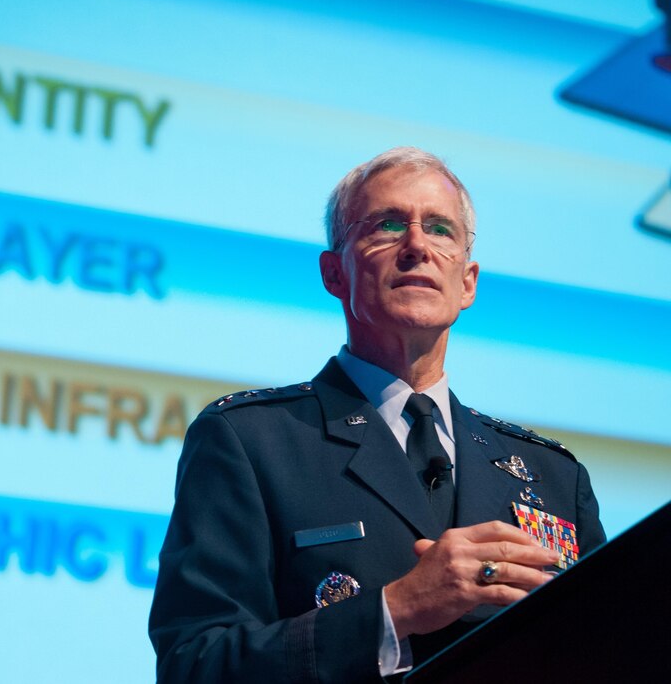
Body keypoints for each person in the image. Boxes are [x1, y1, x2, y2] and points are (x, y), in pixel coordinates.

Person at [148, 147, 605, 683]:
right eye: (387, 226)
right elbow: (196, 664)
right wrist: (394, 611)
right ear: (334, 272)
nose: (417, 246)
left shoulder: (554, 476)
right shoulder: (251, 441)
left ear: (468, 282)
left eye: (440, 230)